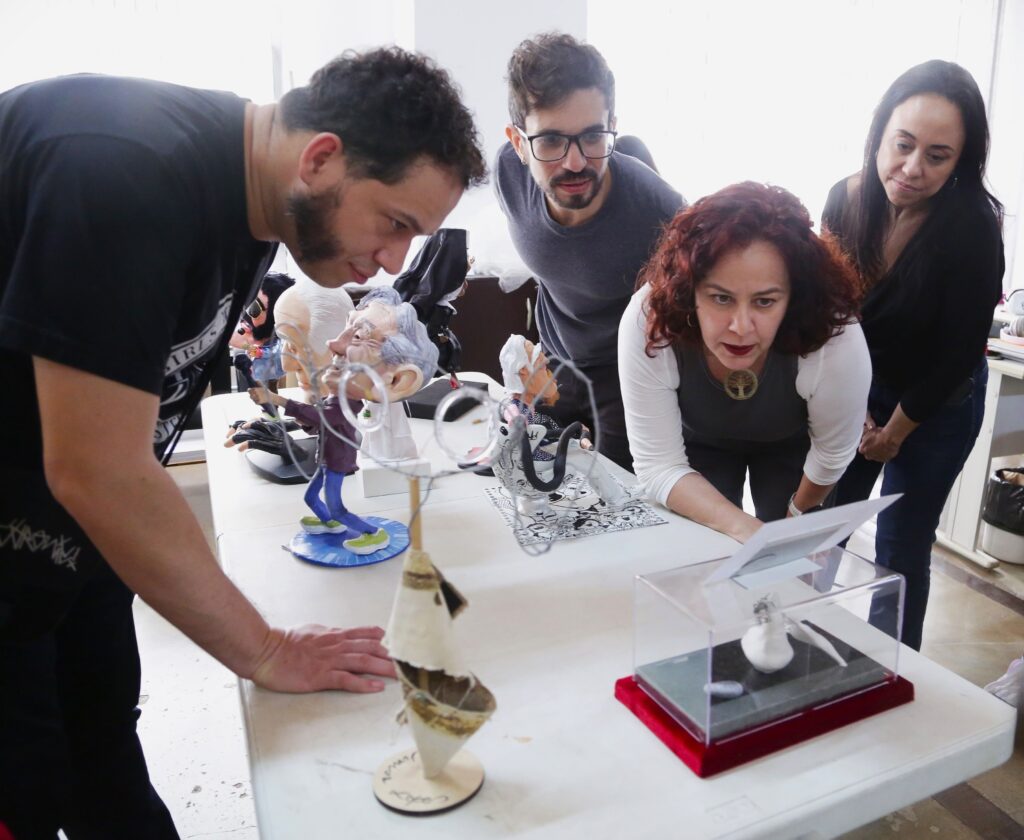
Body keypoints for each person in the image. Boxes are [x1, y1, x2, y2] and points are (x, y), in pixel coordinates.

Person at [0, 47, 485, 837]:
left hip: (58, 530)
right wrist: (264, 649)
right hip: (37, 507)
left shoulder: (259, 203)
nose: (394, 262)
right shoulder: (123, 170)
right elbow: (96, 469)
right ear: (321, 157)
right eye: (396, 224)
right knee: (25, 782)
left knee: (99, 740)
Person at [822, 60, 1004, 651]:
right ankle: (794, 643)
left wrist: (895, 430)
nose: (912, 169)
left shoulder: (972, 227)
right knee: (824, 527)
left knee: (901, 545)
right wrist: (850, 408)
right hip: (859, 391)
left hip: (937, 407)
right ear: (880, 134)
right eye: (902, 145)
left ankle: (893, 672)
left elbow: (958, 351)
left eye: (937, 155)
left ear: (960, 161)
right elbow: (827, 314)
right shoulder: (845, 200)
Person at [618, 181, 869, 542]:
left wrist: (795, 513)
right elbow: (659, 465)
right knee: (701, 550)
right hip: (699, 443)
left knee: (797, 561)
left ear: (794, 299)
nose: (740, 327)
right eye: (721, 298)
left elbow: (831, 455)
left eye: (765, 302)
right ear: (690, 293)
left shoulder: (835, 334)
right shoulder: (649, 319)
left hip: (794, 447)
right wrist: (748, 532)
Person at [495, 32, 685, 472]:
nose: (575, 162)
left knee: (622, 505)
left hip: (630, 376)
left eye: (593, 136)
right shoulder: (508, 175)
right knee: (523, 477)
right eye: (550, 142)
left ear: (612, 124)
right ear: (519, 143)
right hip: (555, 362)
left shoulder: (658, 207)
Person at [249, 286, 440, 553]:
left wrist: (279, 401)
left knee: (335, 504)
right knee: (311, 497)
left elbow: (323, 417)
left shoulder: (346, 403)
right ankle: (330, 523)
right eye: (347, 329)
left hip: (337, 461)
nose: (334, 344)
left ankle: (372, 534)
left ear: (396, 380)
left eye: (359, 336)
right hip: (327, 458)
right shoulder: (339, 394)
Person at [497, 333, 638, 507]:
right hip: (533, 466)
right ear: (524, 372)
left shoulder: (527, 404)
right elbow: (508, 410)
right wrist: (516, 419)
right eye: (541, 367)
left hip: (534, 456)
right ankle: (616, 498)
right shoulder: (517, 408)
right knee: (583, 458)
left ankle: (613, 493)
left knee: (572, 445)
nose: (548, 372)